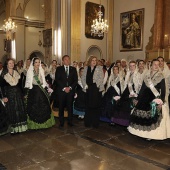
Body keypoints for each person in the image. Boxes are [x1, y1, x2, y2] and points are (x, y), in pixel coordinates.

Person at [128, 59, 170, 140]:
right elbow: (143, 88)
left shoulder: (161, 76)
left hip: (154, 97)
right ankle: (141, 133)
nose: (156, 66)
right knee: (140, 113)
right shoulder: (146, 76)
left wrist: (161, 101)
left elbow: (163, 90)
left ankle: (150, 135)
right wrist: (138, 98)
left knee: (151, 115)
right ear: (151, 65)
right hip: (144, 96)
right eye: (155, 64)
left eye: (158, 64)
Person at [25, 57, 55, 129]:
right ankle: (34, 124)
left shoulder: (41, 70)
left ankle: (45, 124)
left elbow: (43, 81)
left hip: (41, 90)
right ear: (33, 63)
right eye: (36, 62)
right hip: (33, 90)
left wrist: (46, 87)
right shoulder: (30, 71)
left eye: (39, 62)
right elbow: (28, 82)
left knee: (44, 104)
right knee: (33, 106)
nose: (38, 64)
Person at [1, 58, 27, 134]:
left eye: (12, 63)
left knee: (19, 109)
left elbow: (20, 85)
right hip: (9, 94)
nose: (11, 64)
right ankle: (13, 129)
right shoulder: (3, 74)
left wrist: (23, 93)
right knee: (12, 110)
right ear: (7, 64)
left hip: (18, 94)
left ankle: (20, 127)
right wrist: (3, 97)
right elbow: (2, 87)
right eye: (10, 63)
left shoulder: (16, 72)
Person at [111, 61, 137, 127]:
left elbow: (138, 86)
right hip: (126, 91)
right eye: (130, 66)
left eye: (133, 65)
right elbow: (125, 84)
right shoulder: (128, 74)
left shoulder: (137, 74)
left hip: (133, 92)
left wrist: (134, 94)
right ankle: (117, 121)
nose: (131, 67)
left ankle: (126, 124)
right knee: (120, 103)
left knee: (127, 105)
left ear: (135, 66)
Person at [82, 55, 104, 128]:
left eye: (95, 60)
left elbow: (101, 78)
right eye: (93, 60)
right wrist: (85, 85)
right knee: (88, 106)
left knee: (95, 106)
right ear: (90, 61)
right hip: (88, 89)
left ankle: (95, 123)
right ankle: (88, 122)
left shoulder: (99, 68)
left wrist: (95, 87)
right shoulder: (86, 68)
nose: (94, 62)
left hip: (96, 89)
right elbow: (83, 78)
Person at [55, 55, 78, 127]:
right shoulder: (59, 69)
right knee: (61, 106)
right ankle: (61, 122)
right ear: (63, 61)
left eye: (68, 59)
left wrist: (70, 88)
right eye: (65, 59)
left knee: (70, 107)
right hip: (62, 91)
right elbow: (57, 80)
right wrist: (64, 88)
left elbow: (75, 80)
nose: (67, 61)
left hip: (70, 91)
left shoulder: (73, 69)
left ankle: (70, 121)